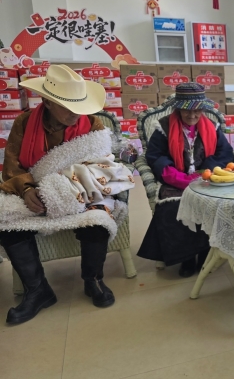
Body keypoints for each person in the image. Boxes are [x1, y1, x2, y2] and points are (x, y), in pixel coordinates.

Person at [0, 65, 136, 323]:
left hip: (82, 190)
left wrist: (68, 189)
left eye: (79, 106)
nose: (76, 113)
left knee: (98, 220)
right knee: (7, 223)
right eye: (67, 107)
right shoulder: (24, 123)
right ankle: (37, 290)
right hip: (33, 188)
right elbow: (12, 166)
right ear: (48, 102)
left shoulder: (92, 123)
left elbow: (102, 166)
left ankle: (93, 280)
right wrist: (27, 189)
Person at [138, 83, 234, 277]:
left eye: (197, 111)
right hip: (175, 180)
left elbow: (224, 153)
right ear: (178, 109)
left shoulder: (212, 126)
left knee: (215, 203)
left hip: (206, 178)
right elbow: (156, 156)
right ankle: (187, 257)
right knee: (175, 206)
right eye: (187, 110)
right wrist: (180, 178)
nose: (192, 115)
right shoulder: (163, 127)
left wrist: (205, 171)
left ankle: (206, 252)